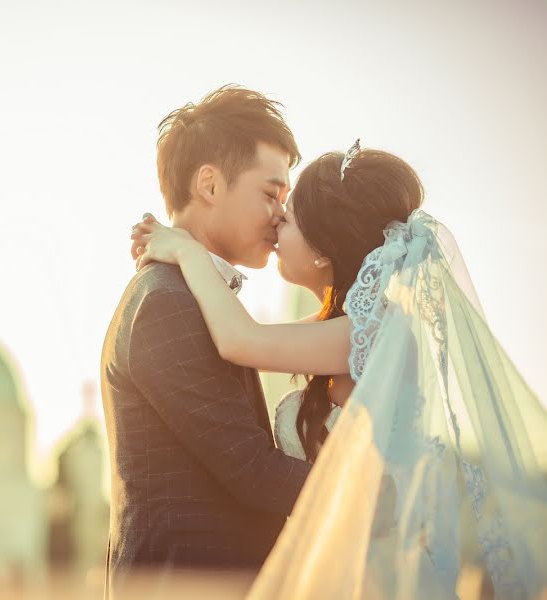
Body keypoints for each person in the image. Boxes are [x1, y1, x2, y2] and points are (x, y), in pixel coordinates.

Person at [129, 141, 547, 598]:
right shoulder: (348, 329)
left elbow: (240, 340)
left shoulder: (373, 332)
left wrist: (187, 252)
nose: (274, 224)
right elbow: (238, 336)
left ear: (322, 252)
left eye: (286, 220)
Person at [100, 85, 313, 598]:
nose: (280, 216)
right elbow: (252, 471)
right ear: (210, 185)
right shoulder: (166, 303)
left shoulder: (190, 295)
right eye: (270, 194)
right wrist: (375, 494)